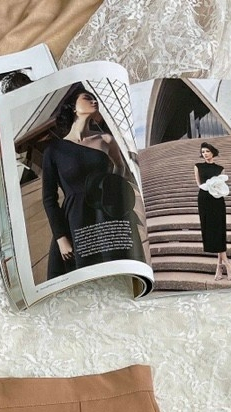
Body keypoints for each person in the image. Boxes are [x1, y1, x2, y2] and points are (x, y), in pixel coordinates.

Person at [41, 86, 144, 280]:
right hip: (75, 220)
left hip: (107, 214)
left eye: (95, 98)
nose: (94, 101)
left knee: (119, 270)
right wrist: (61, 237)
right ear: (73, 107)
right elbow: (49, 199)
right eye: (87, 98)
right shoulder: (54, 150)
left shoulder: (106, 139)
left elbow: (120, 166)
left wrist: (112, 188)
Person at [194, 142, 231, 282]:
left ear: (212, 152)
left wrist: (216, 190)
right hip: (204, 200)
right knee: (210, 231)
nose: (205, 154)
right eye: (203, 152)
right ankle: (226, 264)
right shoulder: (198, 166)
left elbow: (222, 186)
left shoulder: (220, 169)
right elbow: (199, 184)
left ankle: (220, 266)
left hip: (217, 200)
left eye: (207, 151)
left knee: (219, 230)